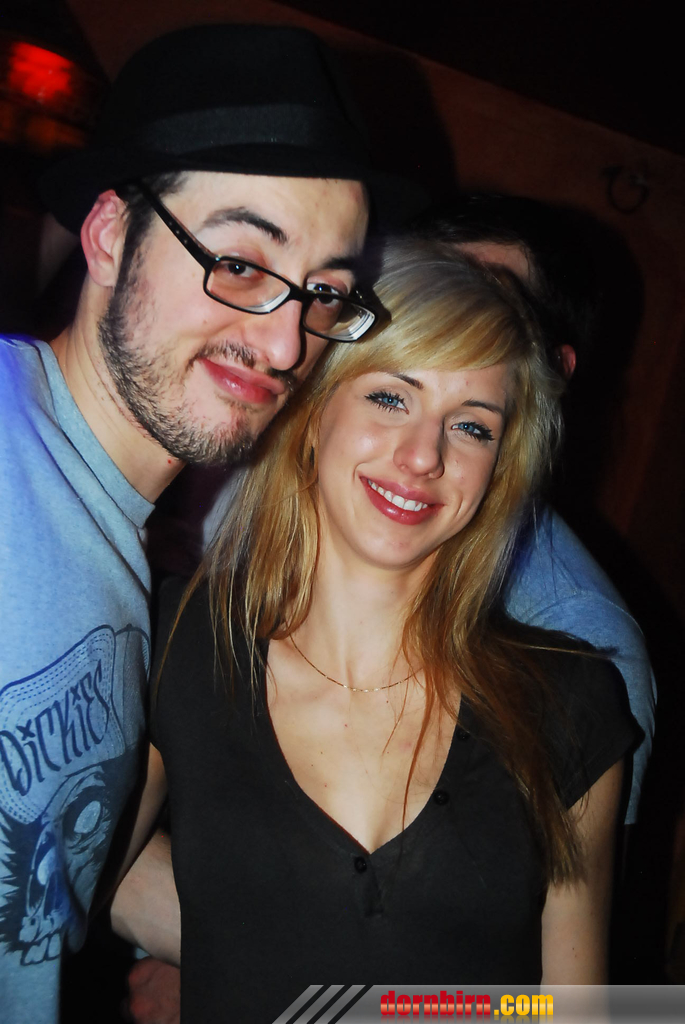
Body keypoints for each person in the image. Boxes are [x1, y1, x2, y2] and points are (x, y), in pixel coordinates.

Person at [0, 23, 421, 1023]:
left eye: (325, 293)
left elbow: (47, 885)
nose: (285, 344)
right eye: (238, 261)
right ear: (111, 236)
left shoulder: (121, 552)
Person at [122, 238, 637, 1022]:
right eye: (391, 398)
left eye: (471, 427)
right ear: (312, 413)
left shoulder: (568, 704)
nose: (422, 455)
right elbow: (55, 880)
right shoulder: (177, 645)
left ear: (500, 472)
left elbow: (575, 1011)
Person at [413, 194, 655, 825]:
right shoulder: (263, 482)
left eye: (488, 306)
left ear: (551, 373)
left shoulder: (580, 642)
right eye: (423, 295)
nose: (443, 331)